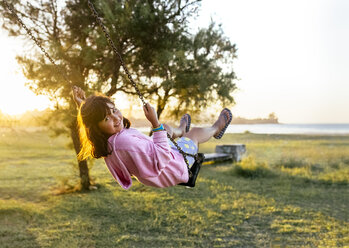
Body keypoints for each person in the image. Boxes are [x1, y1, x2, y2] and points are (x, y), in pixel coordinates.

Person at [72, 86, 232, 189]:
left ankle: (180, 130)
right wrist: (155, 123)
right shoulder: (124, 143)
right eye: (107, 118)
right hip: (176, 167)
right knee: (195, 133)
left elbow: (94, 119)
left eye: (114, 110)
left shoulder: (108, 141)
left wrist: (83, 105)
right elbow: (162, 158)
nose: (115, 118)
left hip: (165, 162)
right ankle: (216, 128)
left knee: (167, 129)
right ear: (96, 126)